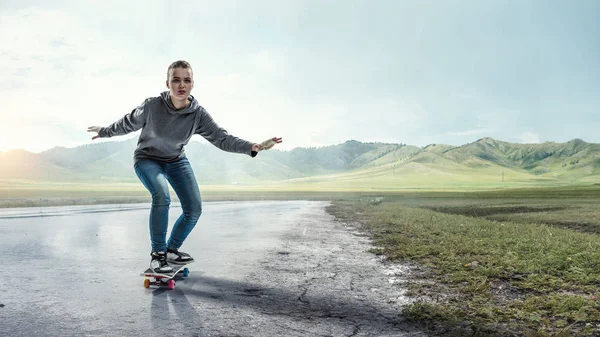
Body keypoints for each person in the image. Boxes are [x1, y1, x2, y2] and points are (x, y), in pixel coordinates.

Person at [87, 60, 282, 273]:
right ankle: (158, 255)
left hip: (176, 161)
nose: (181, 85)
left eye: (186, 80)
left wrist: (251, 146)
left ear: (192, 84)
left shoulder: (198, 114)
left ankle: (171, 250)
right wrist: (105, 131)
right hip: (147, 159)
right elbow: (127, 122)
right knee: (161, 196)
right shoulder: (152, 106)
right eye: (176, 80)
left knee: (194, 209)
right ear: (167, 83)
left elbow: (221, 138)